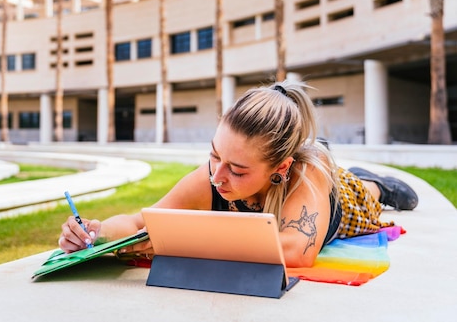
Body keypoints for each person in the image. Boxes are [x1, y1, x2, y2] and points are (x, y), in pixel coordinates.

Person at [58, 81, 418, 268]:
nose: (218, 177)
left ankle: (375, 184)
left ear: (280, 167)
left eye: (238, 169)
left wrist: (184, 240)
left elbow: (296, 251)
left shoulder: (308, 172)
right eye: (215, 155)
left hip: (345, 200)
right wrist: (97, 232)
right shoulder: (213, 176)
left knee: (372, 196)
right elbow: (142, 221)